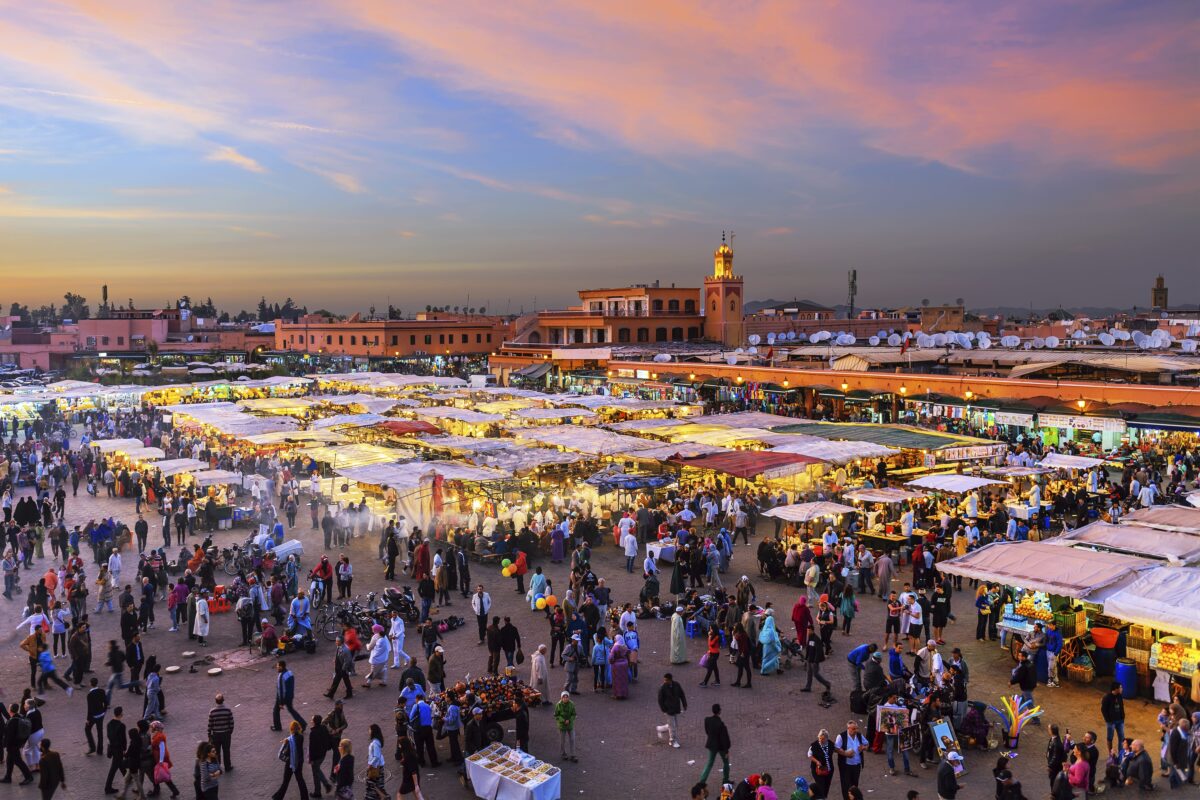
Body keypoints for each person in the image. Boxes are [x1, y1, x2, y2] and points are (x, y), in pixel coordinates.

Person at [273, 720, 309, 800]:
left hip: (291, 762)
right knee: (300, 780)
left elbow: (286, 752)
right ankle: (305, 797)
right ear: (299, 728)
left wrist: (285, 743)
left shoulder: (290, 740)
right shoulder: (301, 737)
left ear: (291, 729)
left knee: (286, 781)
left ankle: (278, 797)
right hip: (299, 762)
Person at [834, 720, 868, 800]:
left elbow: (867, 744)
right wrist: (846, 754)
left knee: (854, 785)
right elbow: (835, 748)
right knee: (846, 786)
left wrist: (864, 747)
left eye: (856, 728)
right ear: (848, 728)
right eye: (853, 729)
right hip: (845, 766)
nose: (855, 730)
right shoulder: (841, 736)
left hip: (856, 765)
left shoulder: (859, 735)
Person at [700, 703, 731, 786]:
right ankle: (725, 780)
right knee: (726, 763)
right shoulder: (721, 724)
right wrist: (726, 750)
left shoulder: (707, 720)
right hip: (721, 747)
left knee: (709, 763)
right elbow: (724, 739)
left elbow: (707, 731)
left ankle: (702, 781)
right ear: (719, 711)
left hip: (712, 745)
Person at [147, 720, 180, 798]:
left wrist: (161, 761)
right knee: (159, 775)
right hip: (158, 758)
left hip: (160, 759)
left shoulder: (159, 736)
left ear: (155, 728)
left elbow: (162, 748)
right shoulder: (156, 735)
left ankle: (174, 791)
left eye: (152, 727)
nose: (150, 728)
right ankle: (170, 790)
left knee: (163, 775)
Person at [273, 661, 307, 732]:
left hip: (283, 697)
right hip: (290, 695)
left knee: (276, 711)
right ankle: (302, 723)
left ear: (281, 667)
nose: (277, 668)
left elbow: (281, 690)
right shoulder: (290, 673)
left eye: (278, 666)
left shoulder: (281, 676)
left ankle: (277, 727)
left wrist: (280, 702)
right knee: (291, 710)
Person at [658, 672, 688, 749]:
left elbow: (682, 694)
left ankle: (661, 729)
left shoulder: (677, 685)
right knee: (673, 726)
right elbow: (660, 700)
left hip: (676, 708)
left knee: (673, 724)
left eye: (666, 680)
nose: (664, 681)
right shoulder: (663, 688)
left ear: (670, 680)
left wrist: (684, 704)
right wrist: (664, 709)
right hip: (669, 710)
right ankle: (672, 741)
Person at [307, 715, 334, 798]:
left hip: (316, 756)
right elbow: (329, 738)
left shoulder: (313, 733)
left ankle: (323, 787)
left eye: (312, 720)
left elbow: (312, 748)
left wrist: (311, 759)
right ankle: (318, 791)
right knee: (317, 771)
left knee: (316, 772)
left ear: (314, 722)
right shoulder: (324, 728)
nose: (311, 721)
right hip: (323, 754)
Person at [104, 705, 128, 794]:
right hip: (118, 749)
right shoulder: (122, 726)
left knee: (120, 764)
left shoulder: (109, 724)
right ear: (120, 714)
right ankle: (107, 787)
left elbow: (109, 737)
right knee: (113, 768)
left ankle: (127, 777)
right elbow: (123, 739)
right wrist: (124, 749)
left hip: (112, 748)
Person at [394, 733, 424, 800]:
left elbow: (413, 771)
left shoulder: (408, 756)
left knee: (399, 794)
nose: (399, 746)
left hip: (409, 779)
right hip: (410, 778)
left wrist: (416, 785)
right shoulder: (410, 752)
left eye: (399, 744)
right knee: (417, 794)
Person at [808, 729, 835, 800]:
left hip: (828, 770)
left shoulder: (831, 744)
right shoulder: (814, 745)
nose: (821, 740)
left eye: (823, 739)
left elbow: (837, 750)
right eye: (819, 738)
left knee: (827, 785)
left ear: (827, 738)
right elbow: (809, 755)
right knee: (821, 785)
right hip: (817, 770)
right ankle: (820, 798)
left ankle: (824, 797)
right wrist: (816, 761)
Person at [86, 676, 109, 756]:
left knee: (87, 729)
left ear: (90, 684)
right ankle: (100, 750)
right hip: (101, 714)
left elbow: (90, 708)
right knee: (100, 732)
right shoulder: (102, 691)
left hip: (94, 716)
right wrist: (104, 711)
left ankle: (92, 747)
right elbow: (106, 702)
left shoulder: (90, 695)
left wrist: (88, 719)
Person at [1101, 682, 1126, 752]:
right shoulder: (1107, 698)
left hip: (1120, 721)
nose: (1122, 689)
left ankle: (1121, 754)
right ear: (1116, 689)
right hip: (1111, 722)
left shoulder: (1120, 696)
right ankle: (1110, 754)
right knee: (1110, 738)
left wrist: (1122, 716)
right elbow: (1103, 710)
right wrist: (1108, 720)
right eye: (1120, 687)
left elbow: (1121, 707)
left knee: (1122, 738)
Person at [555, 691, 578, 762]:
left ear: (568, 697)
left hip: (570, 725)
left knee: (572, 740)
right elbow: (556, 715)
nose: (565, 698)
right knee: (562, 741)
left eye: (566, 697)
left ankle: (573, 755)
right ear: (561, 698)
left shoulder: (571, 704)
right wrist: (563, 720)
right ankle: (563, 754)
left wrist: (569, 720)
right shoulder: (558, 705)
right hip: (562, 726)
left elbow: (574, 714)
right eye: (563, 697)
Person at [365, 724, 386, 800]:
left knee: (372, 785)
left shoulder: (375, 743)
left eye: (370, 730)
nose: (369, 731)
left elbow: (376, 756)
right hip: (378, 766)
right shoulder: (376, 742)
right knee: (377, 786)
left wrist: (370, 764)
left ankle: (384, 797)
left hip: (375, 768)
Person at [759, 609, 782, 676]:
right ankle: (763, 671)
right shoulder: (771, 631)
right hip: (772, 647)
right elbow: (773, 641)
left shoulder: (765, 629)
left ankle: (777, 669)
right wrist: (778, 648)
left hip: (766, 647)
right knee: (772, 658)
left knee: (767, 658)